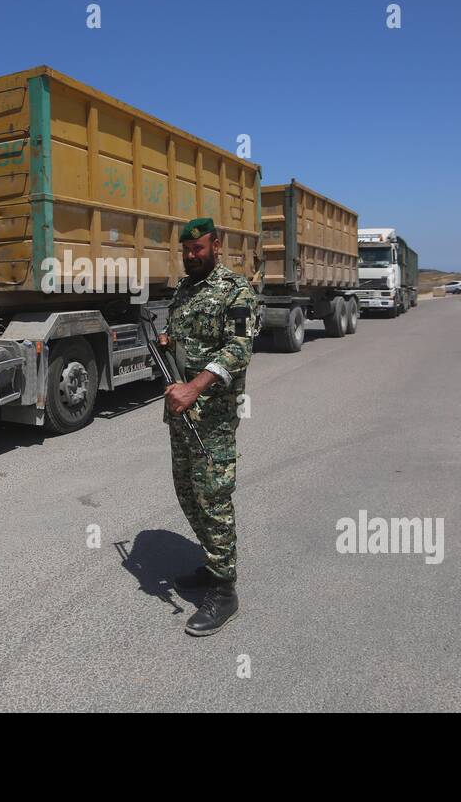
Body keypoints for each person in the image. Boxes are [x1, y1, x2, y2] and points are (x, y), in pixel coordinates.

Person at [161, 216, 260, 636]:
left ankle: (225, 589)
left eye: (198, 248)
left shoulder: (236, 290)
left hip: (212, 414)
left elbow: (239, 346)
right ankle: (211, 561)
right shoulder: (185, 289)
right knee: (187, 491)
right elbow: (182, 331)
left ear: (215, 245)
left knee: (213, 496)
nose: (190, 256)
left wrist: (196, 387)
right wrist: (169, 339)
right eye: (185, 250)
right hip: (181, 413)